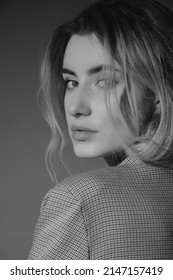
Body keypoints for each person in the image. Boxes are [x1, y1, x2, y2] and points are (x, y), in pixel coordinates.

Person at [28, 0, 173, 259]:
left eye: (104, 81)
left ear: (159, 93)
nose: (75, 107)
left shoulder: (78, 200)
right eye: (71, 82)